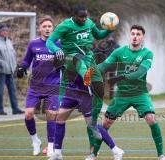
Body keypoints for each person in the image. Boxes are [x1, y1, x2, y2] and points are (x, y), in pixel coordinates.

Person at [88, 25, 165, 160]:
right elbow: (104, 66)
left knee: (151, 119)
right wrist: (90, 71)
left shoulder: (147, 54)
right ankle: (93, 154)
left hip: (140, 94)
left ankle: (161, 155)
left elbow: (139, 72)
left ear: (142, 38)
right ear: (129, 36)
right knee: (105, 123)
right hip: (122, 95)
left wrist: (120, 77)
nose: (135, 36)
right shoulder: (119, 52)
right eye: (133, 34)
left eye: (138, 34)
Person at [46, 4, 115, 139]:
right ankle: (86, 78)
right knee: (78, 61)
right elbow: (50, 42)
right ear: (74, 16)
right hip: (70, 57)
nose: (84, 19)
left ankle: (93, 123)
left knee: (99, 91)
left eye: (86, 16)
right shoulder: (65, 26)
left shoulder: (89, 23)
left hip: (88, 57)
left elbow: (99, 34)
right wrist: (57, 50)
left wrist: (109, 30)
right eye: (81, 17)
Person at [48, 68, 124, 160]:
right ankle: (57, 153)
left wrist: (88, 77)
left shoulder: (85, 56)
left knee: (92, 124)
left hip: (85, 94)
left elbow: (89, 69)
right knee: (59, 119)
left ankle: (116, 150)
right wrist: (60, 98)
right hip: (70, 92)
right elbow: (64, 76)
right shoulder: (65, 56)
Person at [16, 16, 61, 157]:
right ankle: (35, 140)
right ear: (40, 28)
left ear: (53, 28)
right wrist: (21, 68)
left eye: (49, 26)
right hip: (35, 86)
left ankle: (51, 146)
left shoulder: (59, 44)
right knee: (29, 113)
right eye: (44, 26)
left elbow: (66, 63)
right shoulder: (33, 44)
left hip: (53, 86)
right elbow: (26, 61)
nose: (47, 28)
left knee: (51, 114)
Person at [0, 24, 24, 115]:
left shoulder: (9, 41)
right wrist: (2, 63)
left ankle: (15, 108)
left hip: (10, 70)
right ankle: (0, 110)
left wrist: (14, 66)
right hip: (1, 71)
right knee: (0, 91)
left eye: (6, 30)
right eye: (3, 30)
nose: (5, 32)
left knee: (12, 90)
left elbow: (12, 55)